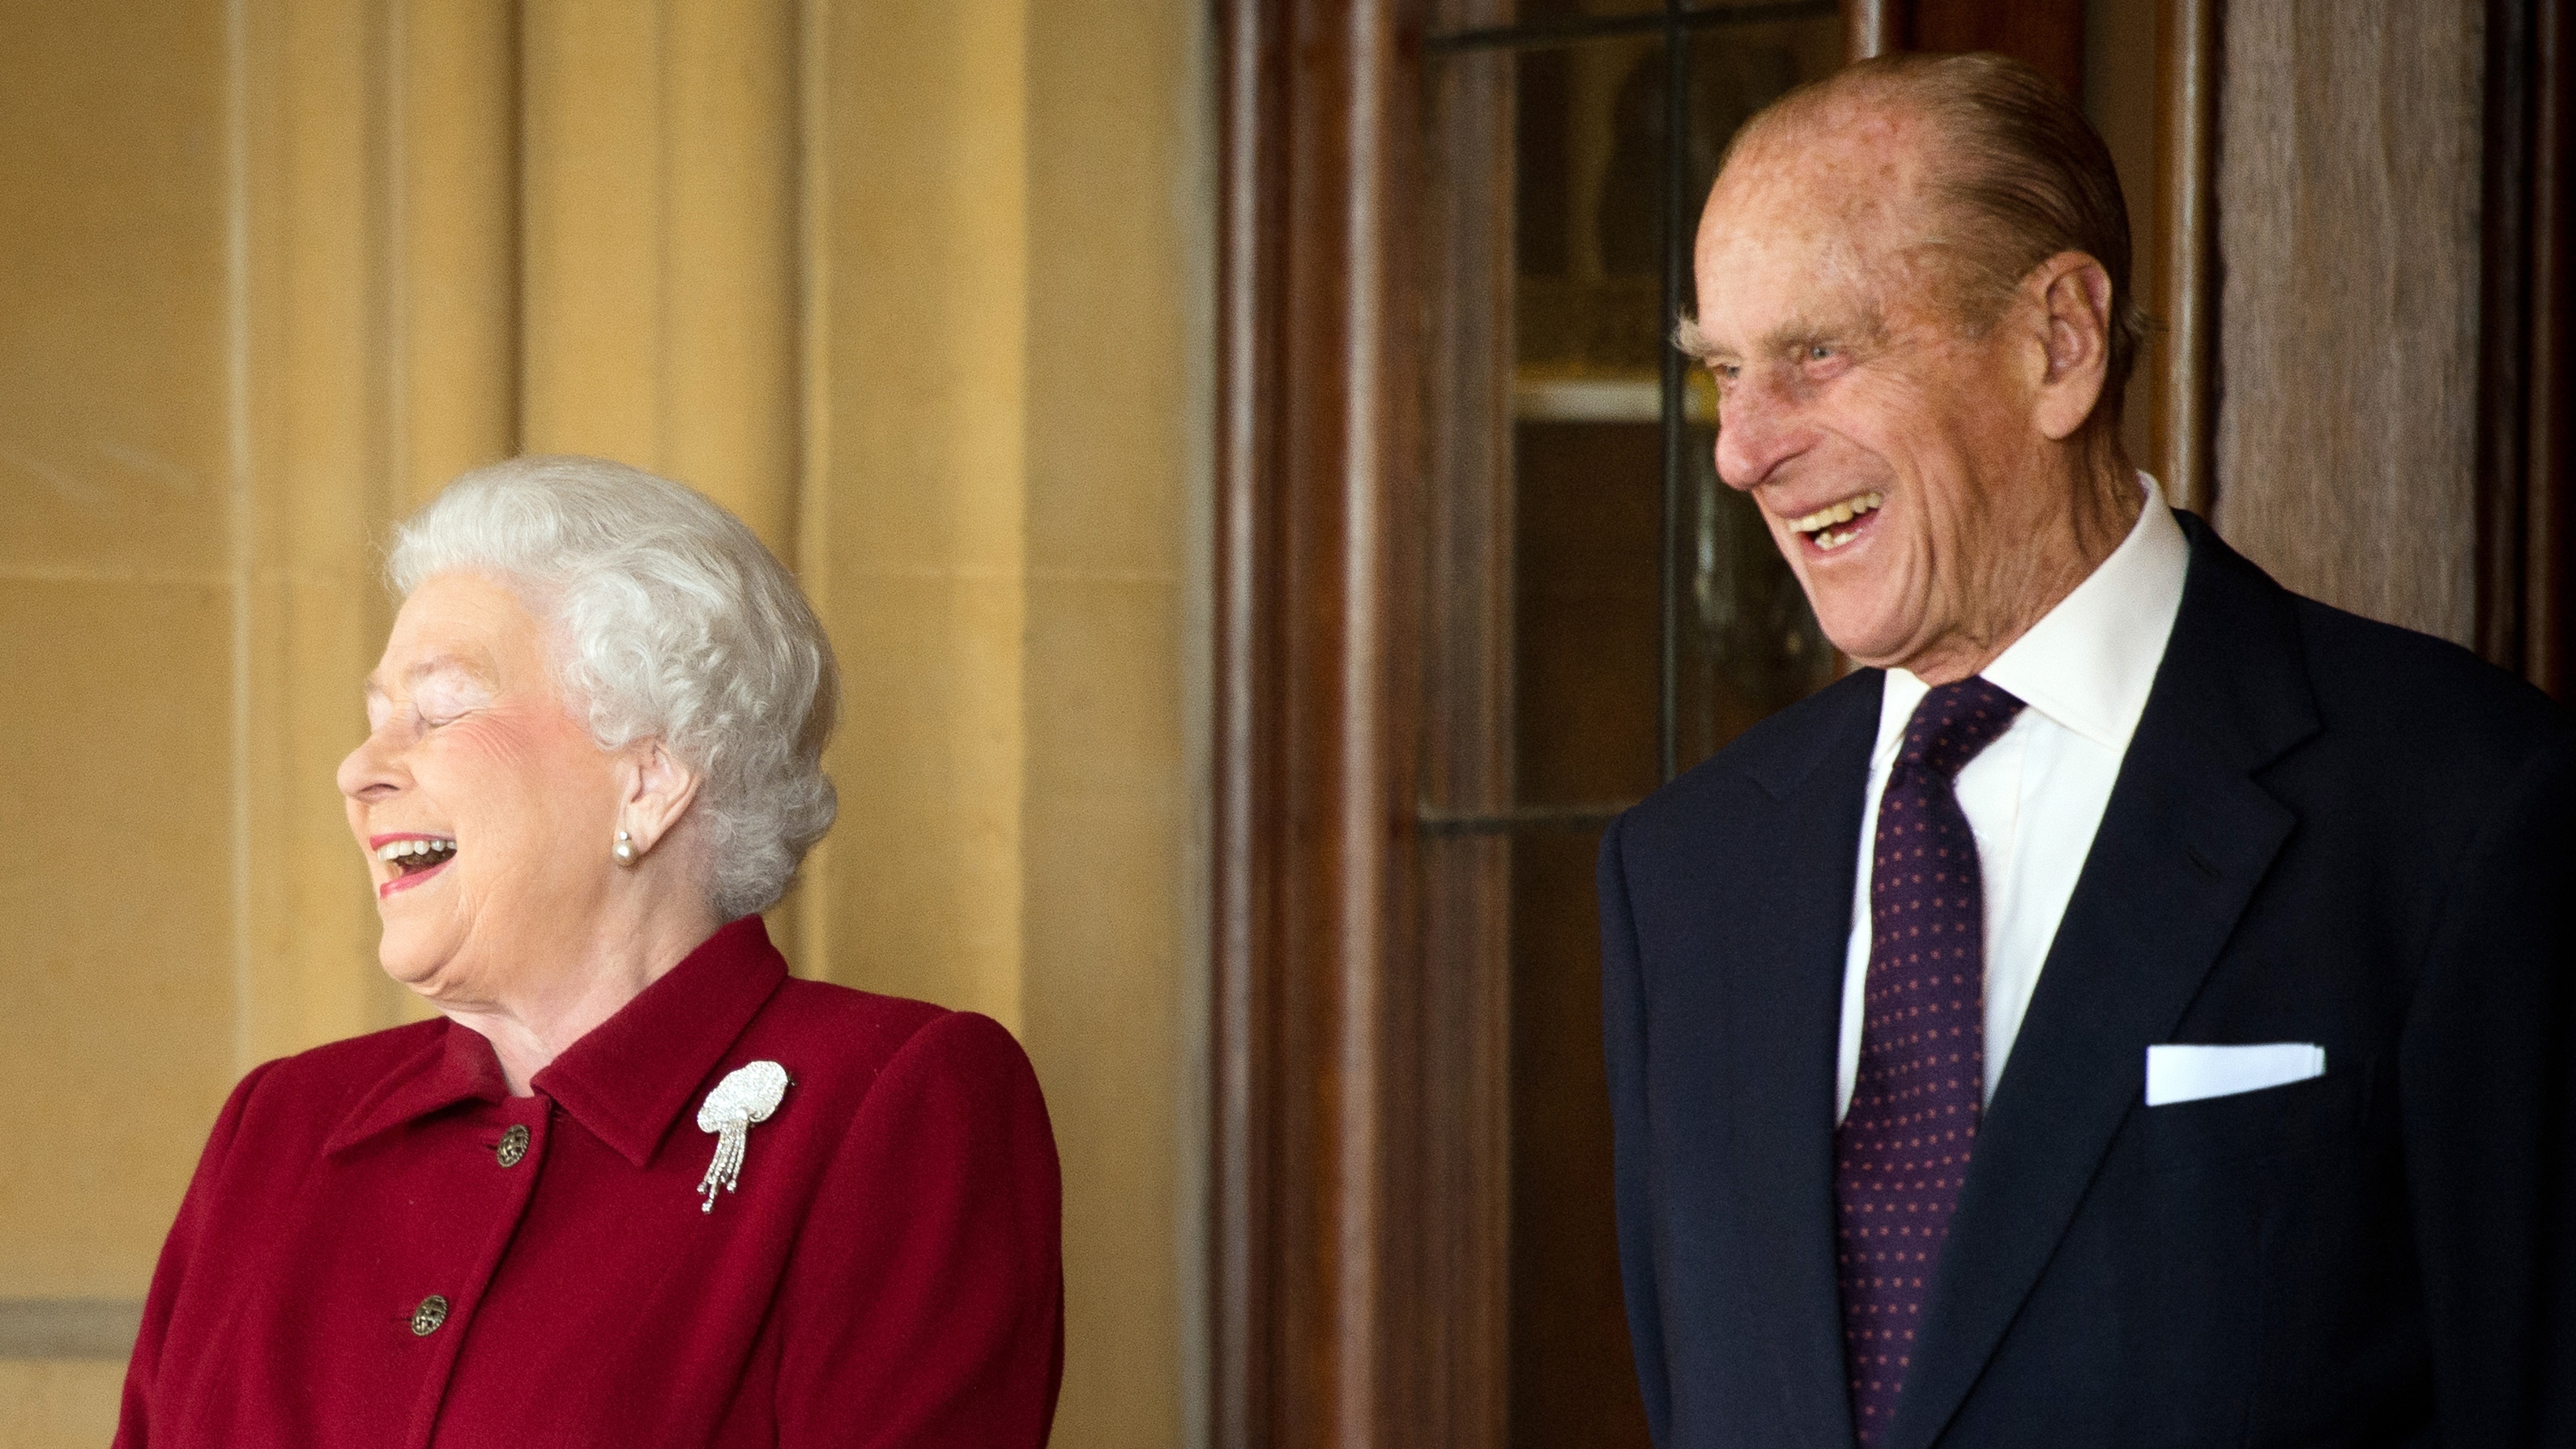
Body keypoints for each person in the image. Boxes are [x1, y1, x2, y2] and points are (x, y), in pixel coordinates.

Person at [1599, 51, 2574, 1449]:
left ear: (2058, 338)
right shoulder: (1681, 874)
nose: (1741, 450)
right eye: (1723, 371)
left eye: (1818, 353)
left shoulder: (2467, 805)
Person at [116, 456, 1063, 1447]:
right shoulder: (278, 1125)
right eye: (374, 722)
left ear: (650, 779)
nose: (359, 771)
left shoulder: (894, 1102)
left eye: (438, 710)